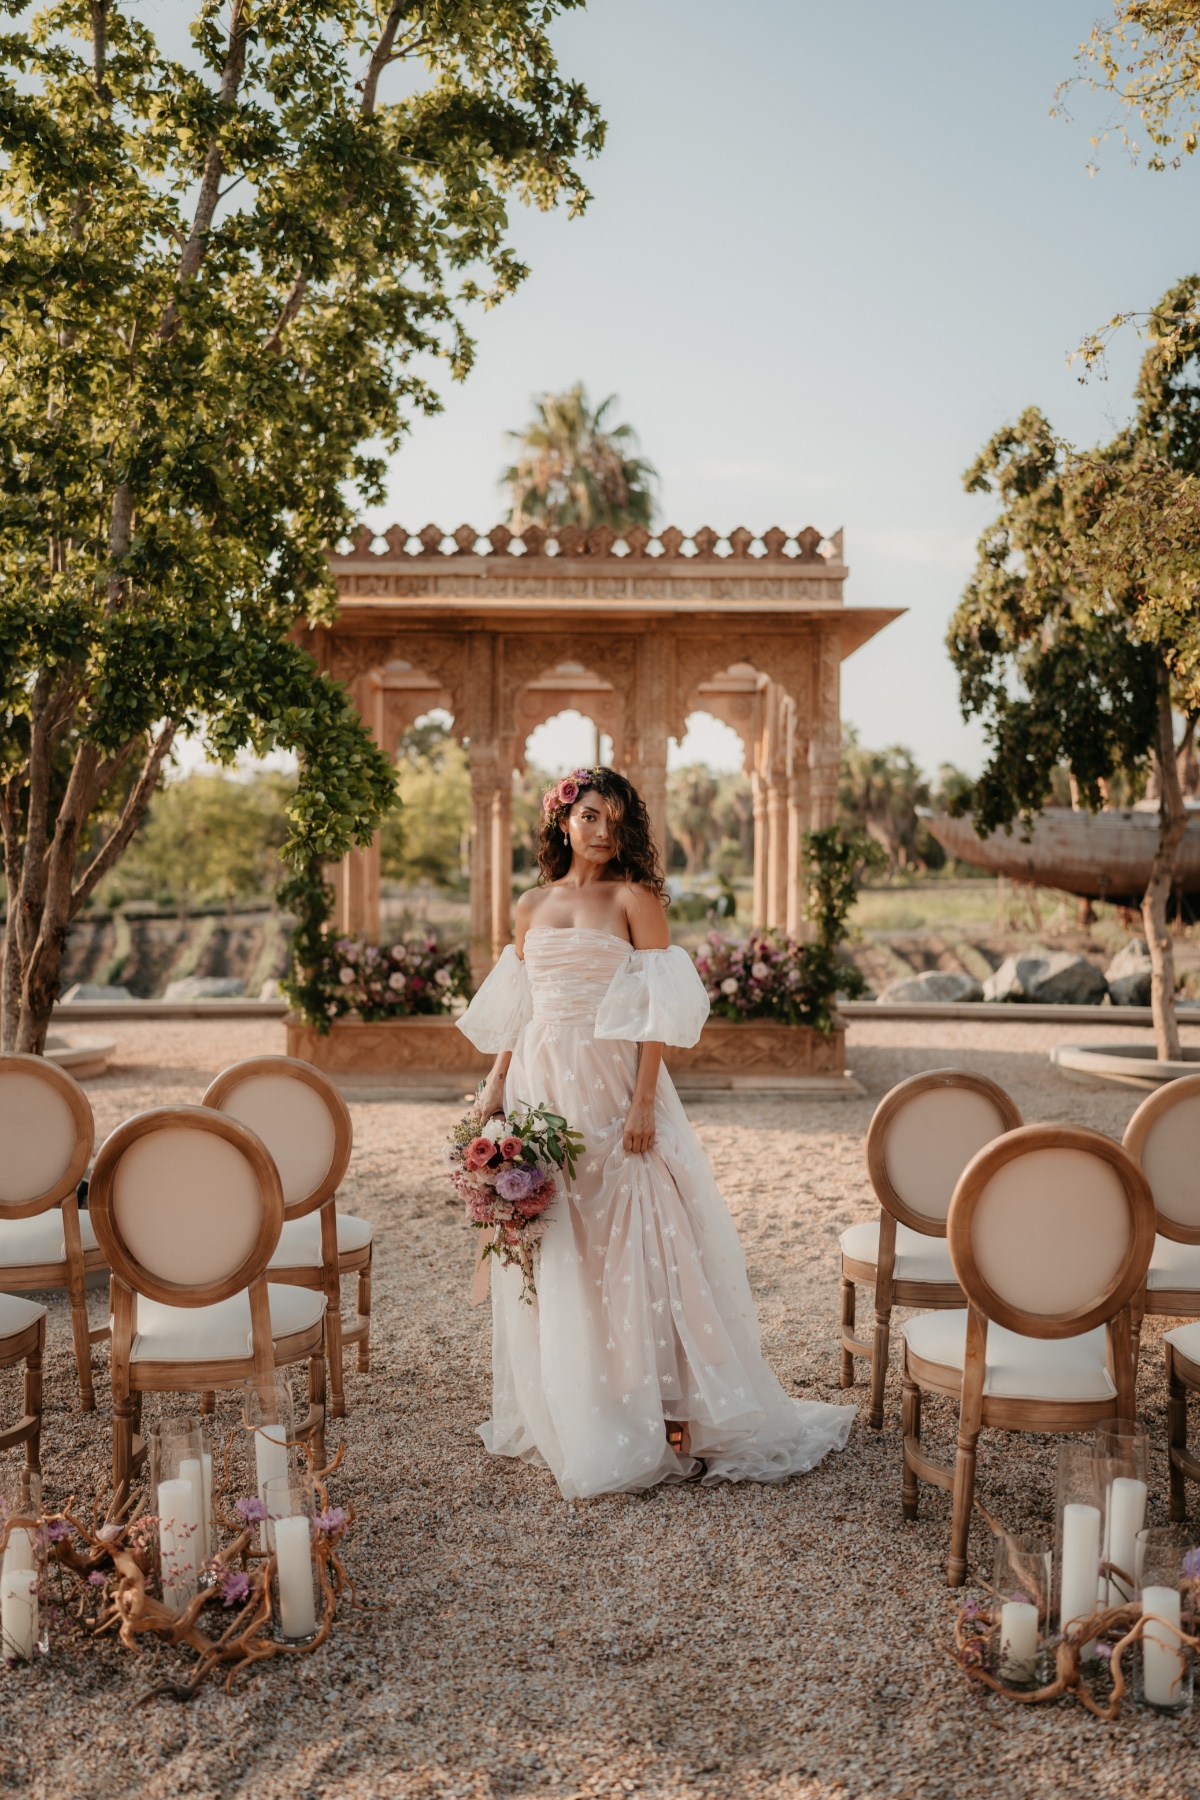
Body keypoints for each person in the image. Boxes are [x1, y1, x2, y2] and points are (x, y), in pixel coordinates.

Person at [457, 766, 852, 1499]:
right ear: (562, 822)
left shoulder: (636, 900)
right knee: (558, 1237)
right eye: (589, 818)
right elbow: (516, 1010)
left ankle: (665, 1414)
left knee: (634, 1237)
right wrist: (495, 1084)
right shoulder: (530, 904)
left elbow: (657, 1015)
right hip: (543, 1082)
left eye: (615, 819)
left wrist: (644, 1105)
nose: (602, 831)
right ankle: (583, 1406)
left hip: (612, 1083)